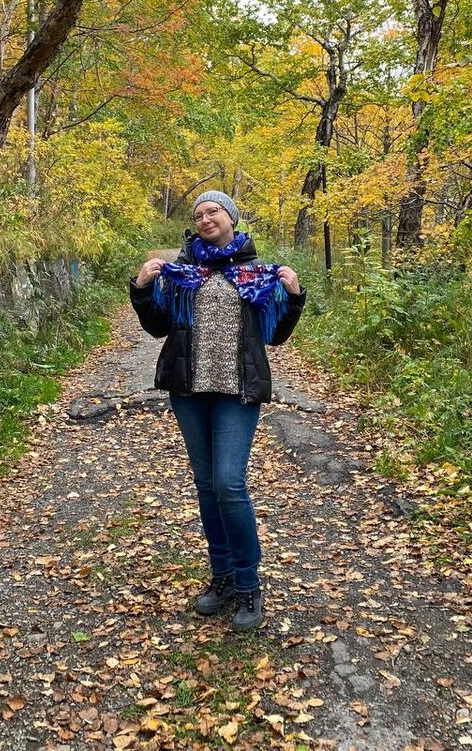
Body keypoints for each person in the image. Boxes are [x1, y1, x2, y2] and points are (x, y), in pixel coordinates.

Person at [129, 190, 305, 632]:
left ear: (231, 217)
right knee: (207, 486)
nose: (205, 218)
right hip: (189, 391)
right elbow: (156, 327)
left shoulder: (255, 274)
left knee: (229, 484)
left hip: (236, 391)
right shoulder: (182, 274)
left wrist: (294, 297)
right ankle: (222, 577)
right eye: (198, 214)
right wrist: (143, 288)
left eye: (214, 211)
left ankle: (248, 584)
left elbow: (276, 336)